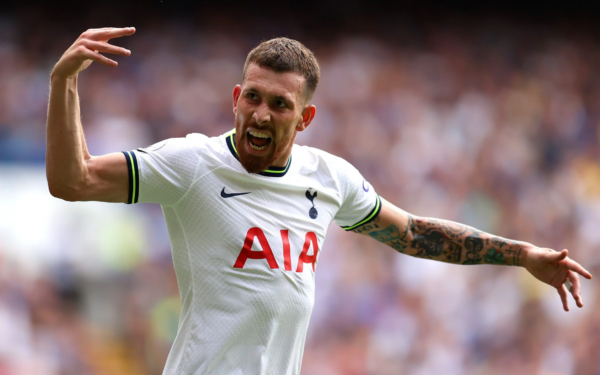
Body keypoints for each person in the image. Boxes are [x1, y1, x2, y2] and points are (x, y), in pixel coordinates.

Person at [46, 27, 593, 375]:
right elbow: (75, 181)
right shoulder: (192, 163)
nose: (260, 114)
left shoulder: (329, 177)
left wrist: (521, 254)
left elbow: (414, 233)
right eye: (252, 98)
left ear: (305, 118)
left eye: (279, 105)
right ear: (236, 98)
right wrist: (63, 84)